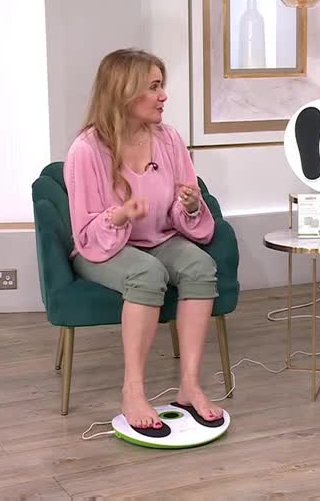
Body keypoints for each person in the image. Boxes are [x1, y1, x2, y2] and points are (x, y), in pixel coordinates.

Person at [64, 49, 222, 431]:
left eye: (161, 86)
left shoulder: (169, 140)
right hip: (101, 247)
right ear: (124, 92)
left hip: (158, 238)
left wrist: (189, 204)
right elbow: (86, 232)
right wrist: (119, 215)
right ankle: (132, 391)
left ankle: (189, 385)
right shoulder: (86, 150)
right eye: (154, 87)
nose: (163, 96)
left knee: (201, 266)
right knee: (147, 274)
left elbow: (184, 207)